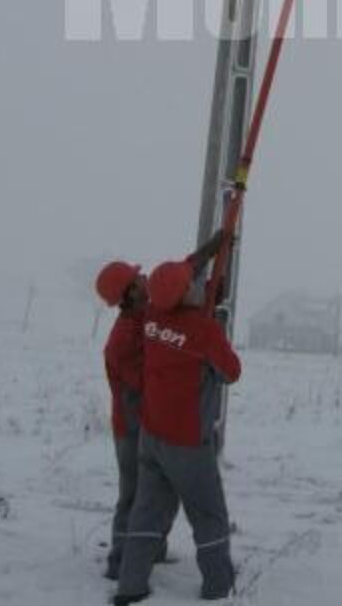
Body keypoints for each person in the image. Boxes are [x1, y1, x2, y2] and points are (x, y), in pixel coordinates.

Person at [96, 234, 226, 582]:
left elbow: (181, 273)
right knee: (135, 496)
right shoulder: (122, 342)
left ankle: (149, 552)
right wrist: (193, 337)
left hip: (155, 424)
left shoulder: (151, 310)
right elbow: (151, 380)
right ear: (128, 294)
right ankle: (120, 562)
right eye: (137, 280)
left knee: (158, 497)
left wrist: (212, 249)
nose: (144, 279)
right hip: (133, 427)